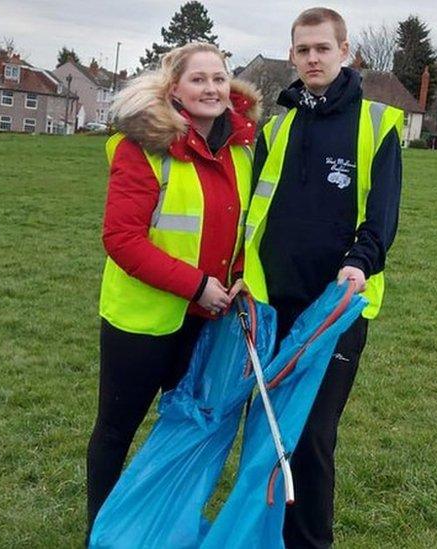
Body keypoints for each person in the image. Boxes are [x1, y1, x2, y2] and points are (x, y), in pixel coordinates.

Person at [238, 7, 404, 548]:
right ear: (292, 55)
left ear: (344, 52)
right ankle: (267, 537)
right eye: (303, 49)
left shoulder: (378, 123)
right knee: (266, 433)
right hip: (270, 306)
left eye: (323, 48)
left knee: (311, 438)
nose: (313, 58)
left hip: (335, 309)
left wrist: (359, 261)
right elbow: (253, 213)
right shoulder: (278, 126)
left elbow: (382, 217)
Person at [86, 42, 261, 537]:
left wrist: (241, 274)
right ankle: (101, 533)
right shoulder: (141, 147)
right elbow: (120, 238)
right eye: (198, 79)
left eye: (219, 79)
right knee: (116, 432)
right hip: (142, 321)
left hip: (210, 321)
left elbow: (248, 225)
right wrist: (196, 286)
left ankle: (160, 527)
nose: (211, 89)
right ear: (174, 89)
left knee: (185, 430)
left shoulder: (244, 149)